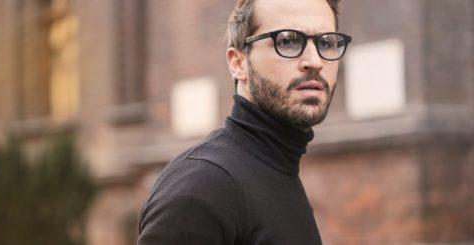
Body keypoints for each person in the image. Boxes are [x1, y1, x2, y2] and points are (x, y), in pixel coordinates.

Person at [138, 0, 351, 244]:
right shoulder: (203, 186)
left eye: (326, 43)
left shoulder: (278, 171)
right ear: (238, 63)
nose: (315, 61)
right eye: (288, 41)